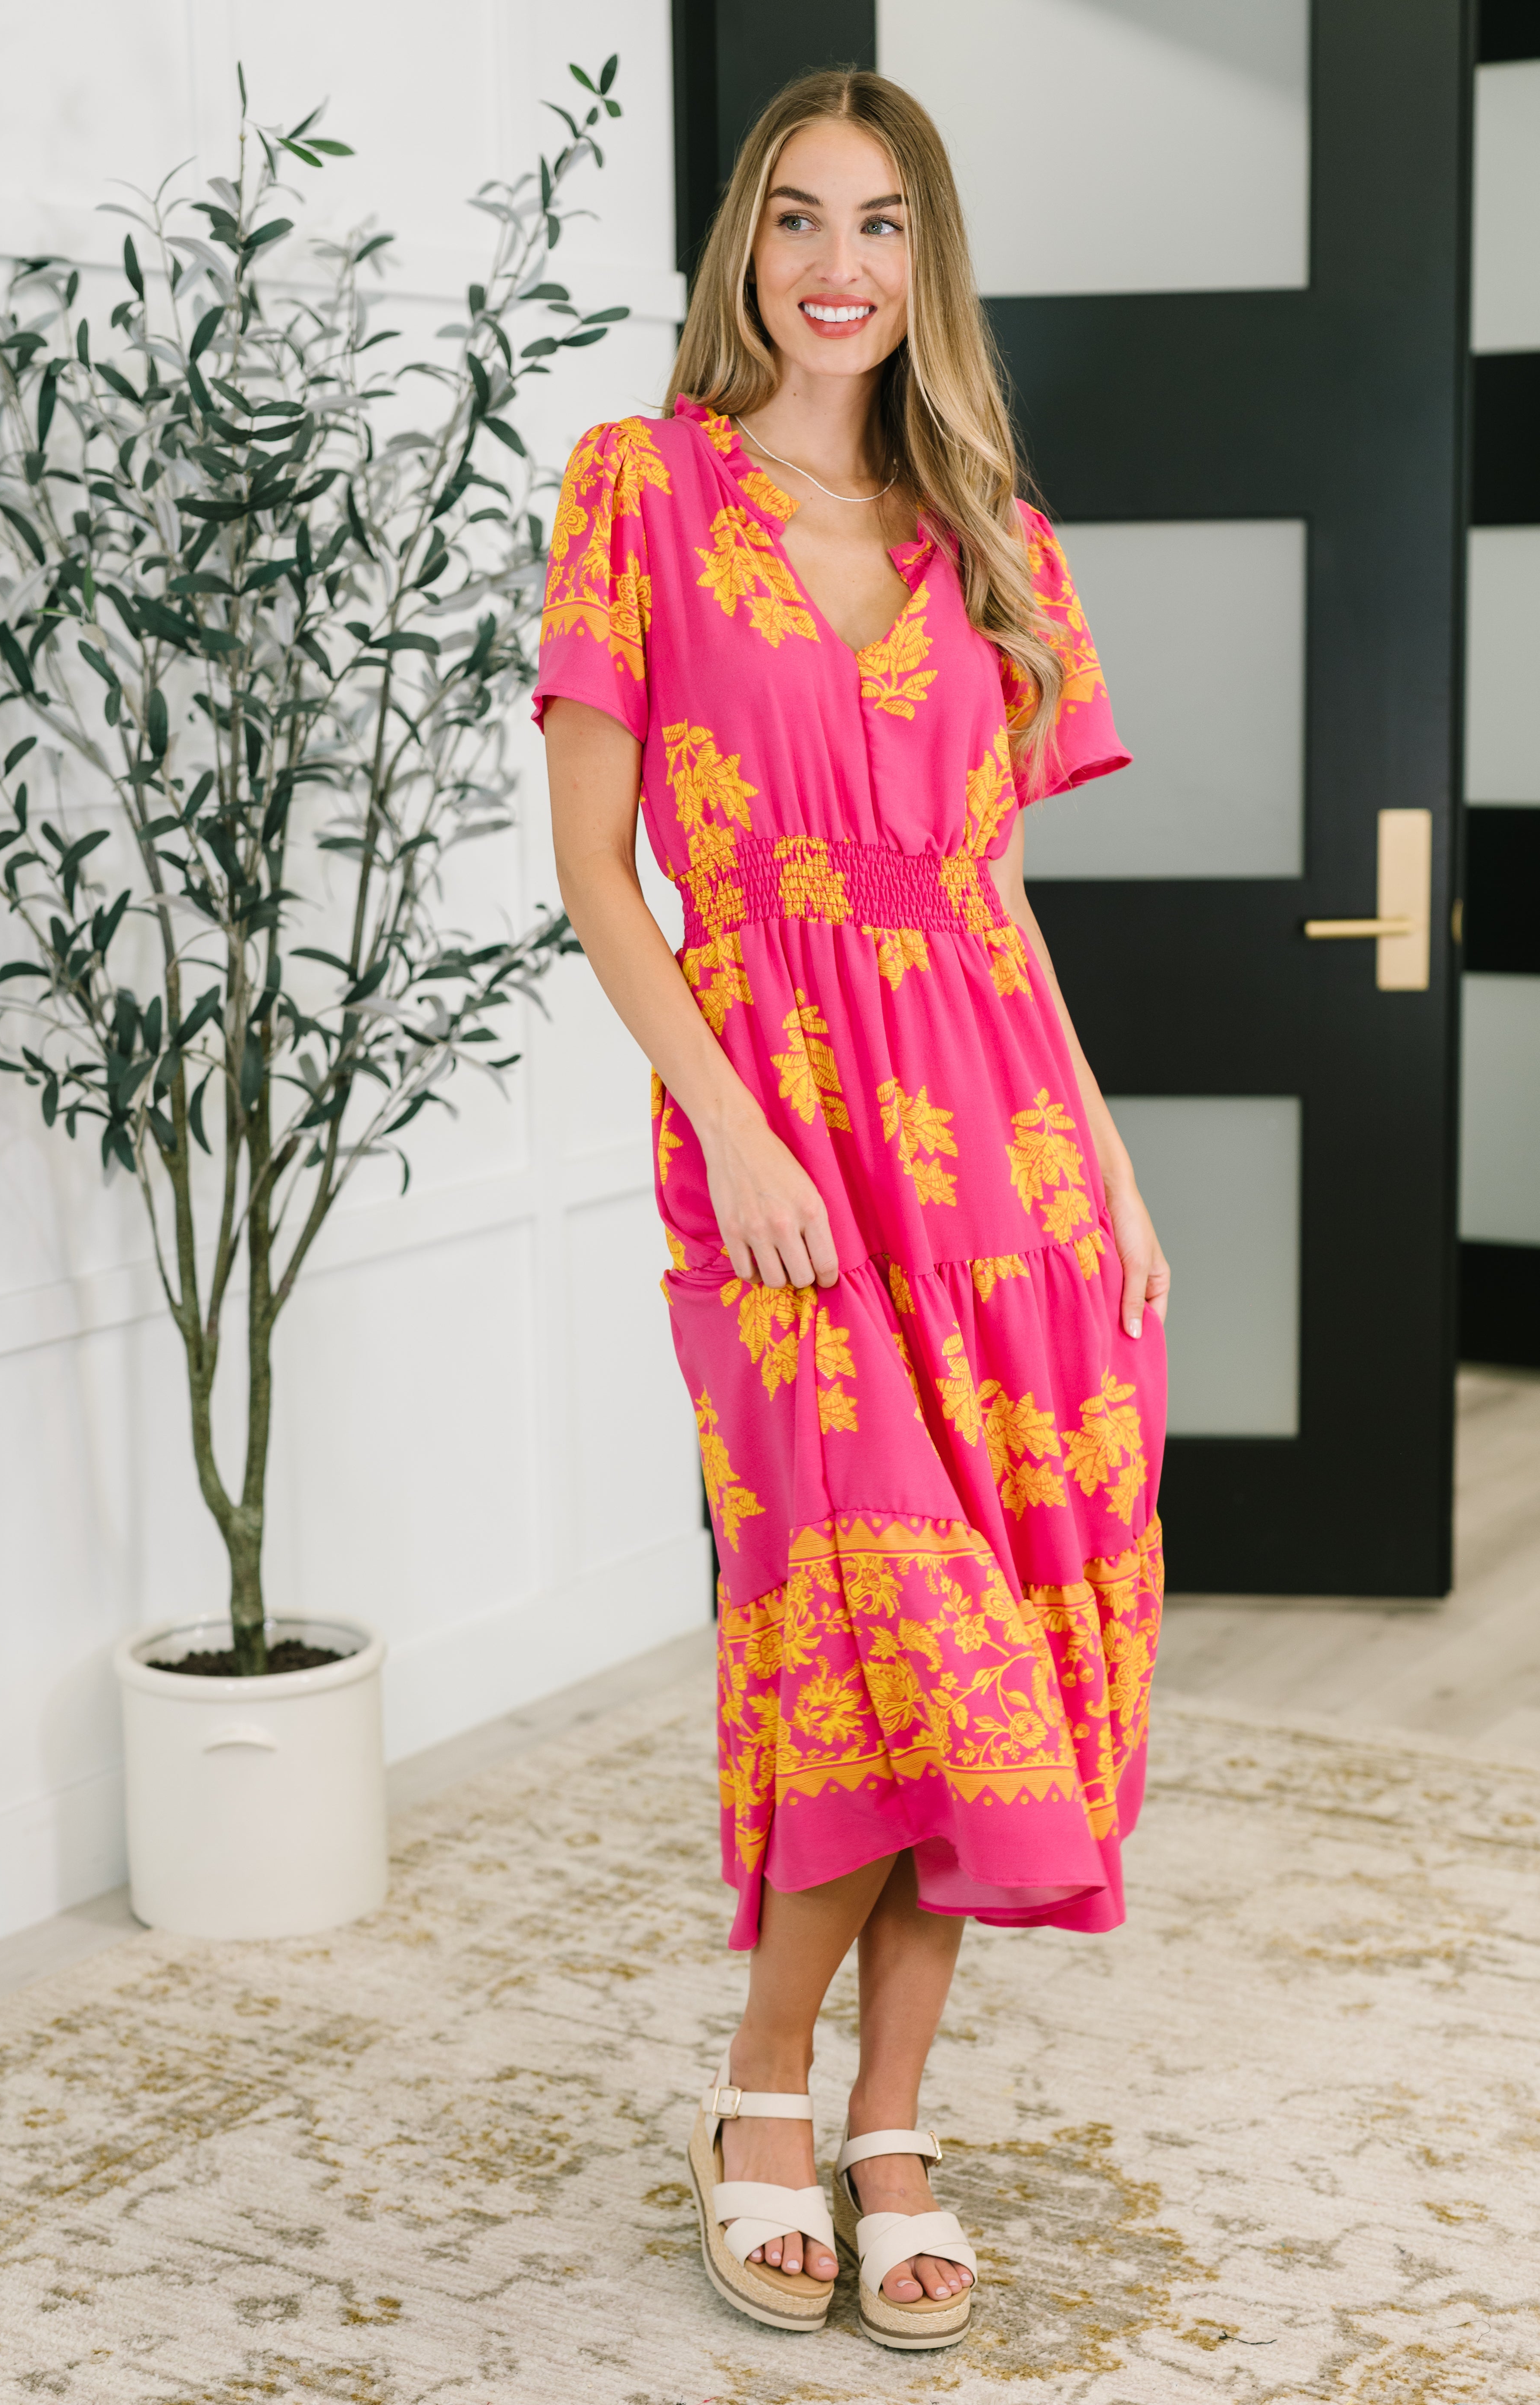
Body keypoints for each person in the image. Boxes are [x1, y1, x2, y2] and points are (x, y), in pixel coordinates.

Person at [534, 67, 1169, 2354]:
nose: (837, 262)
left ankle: (888, 2116)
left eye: (882, 224)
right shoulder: (638, 493)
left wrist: (1102, 1161)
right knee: (871, 1632)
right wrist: (734, 1123)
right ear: (743, 252)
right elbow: (600, 874)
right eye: (797, 217)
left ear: (928, 262)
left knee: (1001, 1653)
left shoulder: (982, 518)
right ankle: (760, 2092)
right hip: (777, 1143)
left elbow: (990, 899)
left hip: (997, 1157)